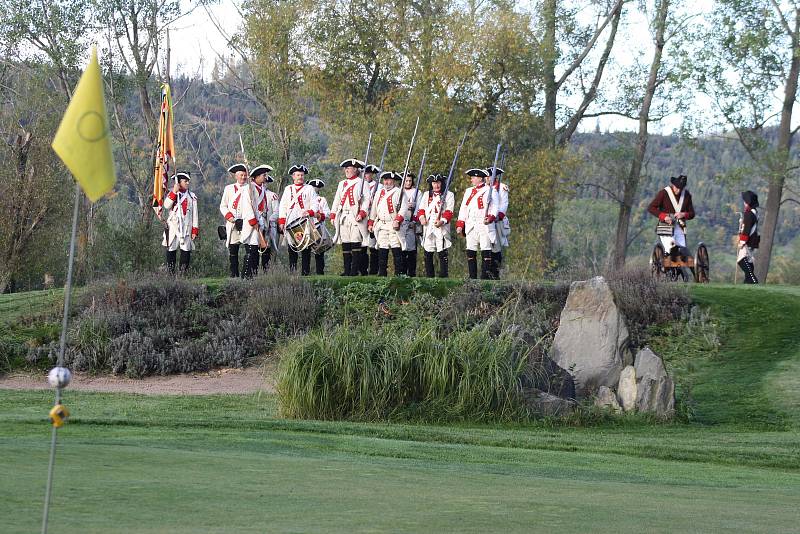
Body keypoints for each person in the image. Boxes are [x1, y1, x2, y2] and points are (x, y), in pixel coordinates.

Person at [456, 168, 499, 279]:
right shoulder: (469, 191)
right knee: (470, 250)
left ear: (480, 178)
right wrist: (460, 224)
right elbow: (463, 208)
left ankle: (485, 277)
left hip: (484, 223)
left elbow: (495, 207)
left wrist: (490, 217)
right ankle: (472, 278)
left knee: (485, 249)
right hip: (471, 223)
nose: (471, 179)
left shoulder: (490, 190)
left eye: (473, 177)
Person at [330, 158, 369, 276]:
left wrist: (362, 212)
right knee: (345, 243)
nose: (346, 170)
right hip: (343, 216)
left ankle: (354, 270)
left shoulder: (362, 183)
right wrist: (333, 214)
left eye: (349, 168)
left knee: (355, 242)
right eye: (345, 168)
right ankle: (347, 270)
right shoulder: (342, 184)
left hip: (355, 216)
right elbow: (337, 200)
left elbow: (367, 200)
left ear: (355, 169)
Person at [278, 164, 319, 275]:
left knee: (306, 247)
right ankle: (293, 272)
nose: (300, 177)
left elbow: (315, 204)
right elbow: (283, 206)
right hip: (291, 221)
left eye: (301, 175)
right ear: (293, 176)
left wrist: (310, 212)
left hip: (304, 221)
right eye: (298, 175)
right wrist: (282, 221)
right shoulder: (288, 189)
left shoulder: (309, 188)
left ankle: (305, 273)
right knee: (292, 248)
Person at [647, 174, 695, 259]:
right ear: (673, 184)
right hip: (666, 227)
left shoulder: (687, 195)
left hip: (680, 227)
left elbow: (692, 214)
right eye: (677, 187)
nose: (679, 190)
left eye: (681, 188)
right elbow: (651, 208)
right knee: (672, 248)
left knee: (682, 251)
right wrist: (663, 216)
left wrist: (683, 214)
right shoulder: (664, 193)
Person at [368, 171, 405, 276]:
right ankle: (382, 272)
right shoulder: (379, 192)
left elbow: (403, 208)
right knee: (382, 248)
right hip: (381, 224)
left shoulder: (399, 192)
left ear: (393, 181)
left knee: (395, 247)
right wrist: (371, 222)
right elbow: (374, 209)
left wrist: (398, 220)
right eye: (385, 180)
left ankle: (399, 273)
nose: (387, 182)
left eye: (389, 180)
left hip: (393, 224)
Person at [418, 174, 454, 278]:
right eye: (434, 183)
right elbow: (421, 210)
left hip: (441, 226)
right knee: (428, 252)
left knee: (442, 250)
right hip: (429, 226)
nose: (436, 185)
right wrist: (422, 218)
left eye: (438, 183)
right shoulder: (426, 195)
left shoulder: (448, 194)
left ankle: (443, 276)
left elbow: (449, 211)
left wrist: (442, 221)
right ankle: (429, 276)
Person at [162, 172, 198, 275]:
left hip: (186, 228)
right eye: (185, 181)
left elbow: (195, 215)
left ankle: (183, 275)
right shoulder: (172, 193)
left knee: (186, 250)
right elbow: (167, 205)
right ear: (179, 182)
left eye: (188, 181)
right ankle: (171, 275)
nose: (187, 183)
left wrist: (195, 229)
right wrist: (174, 191)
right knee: (171, 249)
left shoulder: (192, 196)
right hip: (173, 227)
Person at [219, 163, 250, 277]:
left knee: (249, 250)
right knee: (233, 252)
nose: (243, 177)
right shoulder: (229, 189)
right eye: (241, 175)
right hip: (233, 223)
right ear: (236, 176)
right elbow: (223, 206)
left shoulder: (250, 188)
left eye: (245, 175)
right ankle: (234, 275)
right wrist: (229, 217)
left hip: (247, 223)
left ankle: (246, 275)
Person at [249, 164, 276, 275]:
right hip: (254, 221)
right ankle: (250, 274)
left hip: (263, 221)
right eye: (264, 175)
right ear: (256, 177)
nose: (266, 177)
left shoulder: (262, 189)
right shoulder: (251, 188)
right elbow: (249, 205)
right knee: (253, 249)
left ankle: (261, 273)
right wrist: (253, 221)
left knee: (264, 249)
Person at [486, 165, 510, 278]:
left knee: (496, 248)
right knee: (487, 247)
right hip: (486, 221)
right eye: (487, 176)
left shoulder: (502, 187)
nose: (488, 178)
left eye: (490, 176)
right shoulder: (484, 188)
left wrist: (497, 216)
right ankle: (487, 272)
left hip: (498, 221)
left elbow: (504, 204)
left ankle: (495, 274)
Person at [399, 172, 420, 276]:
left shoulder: (417, 192)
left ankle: (411, 273)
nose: (407, 183)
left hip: (410, 222)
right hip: (399, 223)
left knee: (411, 249)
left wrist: (414, 220)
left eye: (409, 181)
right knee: (400, 249)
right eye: (406, 180)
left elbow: (419, 207)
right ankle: (401, 272)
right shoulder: (398, 191)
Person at [308, 178, 331, 275]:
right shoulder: (307, 198)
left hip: (318, 226)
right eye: (313, 187)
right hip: (308, 226)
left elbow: (328, 213)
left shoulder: (322, 200)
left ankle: (320, 272)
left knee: (320, 251)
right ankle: (306, 272)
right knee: (307, 250)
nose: (315, 189)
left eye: (317, 187)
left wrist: (321, 215)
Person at [362, 164, 381, 275]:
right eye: (364, 173)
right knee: (362, 246)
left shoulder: (378, 186)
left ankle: (374, 270)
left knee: (374, 246)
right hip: (362, 218)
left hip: (373, 217)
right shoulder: (360, 185)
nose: (366, 176)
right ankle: (363, 270)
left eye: (368, 173)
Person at [738, 190, 760, 284]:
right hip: (752, 241)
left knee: (741, 260)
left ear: (747, 202)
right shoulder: (753, 212)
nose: (743, 203)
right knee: (748, 260)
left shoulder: (749, 214)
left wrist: (742, 242)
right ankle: (747, 281)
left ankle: (753, 280)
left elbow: (747, 229)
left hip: (748, 241)